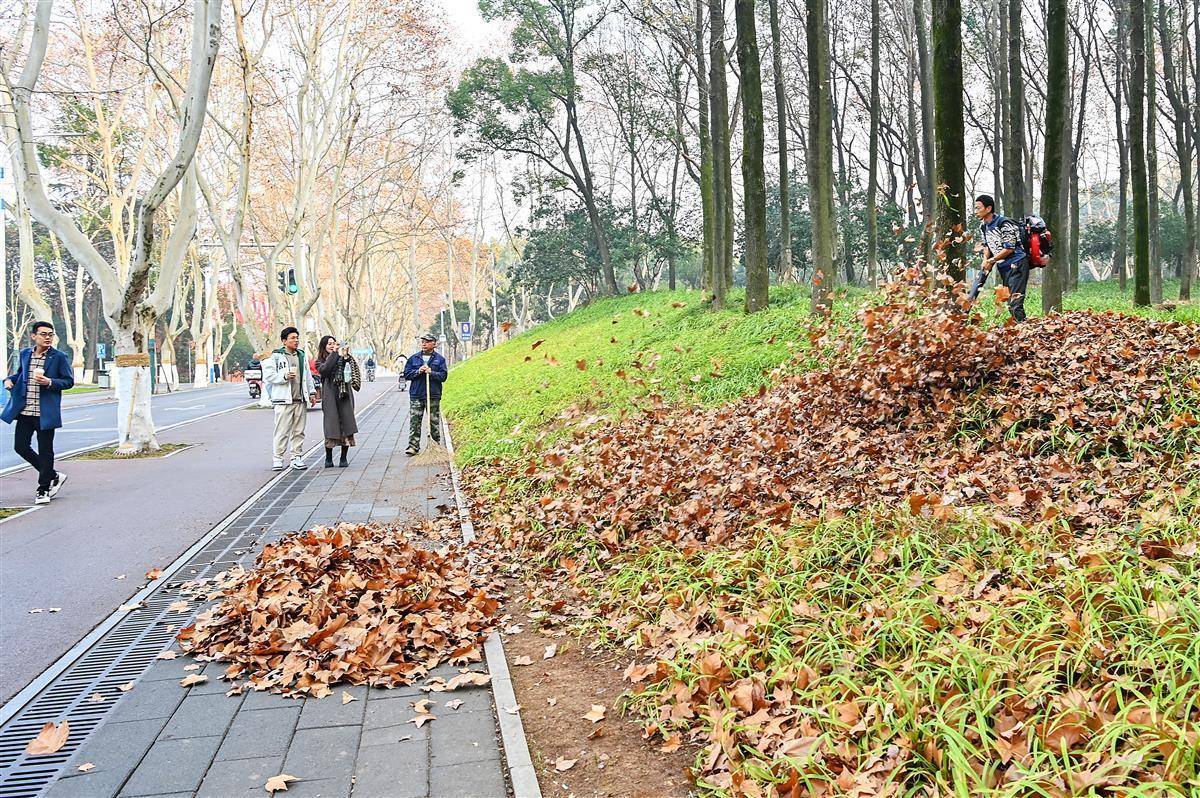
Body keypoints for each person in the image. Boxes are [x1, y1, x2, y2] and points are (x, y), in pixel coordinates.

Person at [2, 321, 75, 504]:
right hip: (25, 412)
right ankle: (52, 474)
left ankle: (43, 489)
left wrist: (49, 382)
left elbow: (68, 381)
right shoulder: (26, 354)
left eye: (50, 334)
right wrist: (8, 380)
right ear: (34, 336)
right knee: (20, 446)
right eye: (43, 334)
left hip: (45, 413)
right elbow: (20, 375)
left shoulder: (59, 357)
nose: (48, 337)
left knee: (45, 451)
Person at [262, 327, 317, 470]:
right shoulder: (276, 357)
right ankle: (278, 458)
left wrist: (311, 393)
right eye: (293, 338)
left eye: (297, 338)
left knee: (299, 431)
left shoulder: (301, 356)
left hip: (300, 399)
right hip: (283, 400)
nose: (296, 340)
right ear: (284, 341)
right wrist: (284, 376)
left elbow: (307, 376)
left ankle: (296, 457)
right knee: (282, 431)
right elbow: (268, 376)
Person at [974, 194, 1029, 322]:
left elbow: (1009, 248)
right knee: (1010, 301)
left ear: (988, 209)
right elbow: (987, 245)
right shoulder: (983, 226)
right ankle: (1022, 328)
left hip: (1017, 263)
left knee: (1015, 303)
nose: (976, 211)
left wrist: (992, 260)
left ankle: (1025, 330)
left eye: (978, 208)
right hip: (1004, 267)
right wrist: (985, 259)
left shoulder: (1004, 223)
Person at [315, 335, 359, 468]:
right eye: (329, 344)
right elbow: (325, 370)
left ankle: (343, 457)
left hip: (344, 393)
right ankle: (328, 457)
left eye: (334, 343)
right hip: (330, 395)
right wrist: (334, 353)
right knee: (330, 425)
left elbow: (352, 369)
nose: (332, 345)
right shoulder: (319, 361)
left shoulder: (342, 358)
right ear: (324, 346)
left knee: (346, 424)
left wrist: (345, 356)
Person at [403, 333, 448, 456]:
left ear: (434, 344)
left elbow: (443, 376)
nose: (424, 343)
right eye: (422, 341)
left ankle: (435, 445)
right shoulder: (414, 359)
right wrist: (418, 371)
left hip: (433, 395)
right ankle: (413, 446)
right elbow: (406, 374)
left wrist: (431, 372)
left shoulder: (439, 359)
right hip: (417, 395)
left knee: (434, 422)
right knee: (415, 421)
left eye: (427, 341)